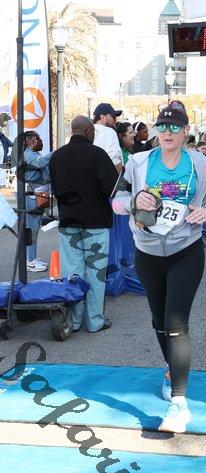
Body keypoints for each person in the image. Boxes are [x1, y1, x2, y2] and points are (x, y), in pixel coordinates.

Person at [112, 100, 206, 433]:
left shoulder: (200, 164)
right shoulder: (139, 162)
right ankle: (171, 369)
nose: (168, 132)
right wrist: (133, 202)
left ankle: (179, 403)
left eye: (175, 127)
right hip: (147, 253)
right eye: (162, 126)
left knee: (175, 322)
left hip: (186, 251)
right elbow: (116, 201)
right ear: (156, 131)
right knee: (159, 322)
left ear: (186, 131)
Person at [49, 116, 118, 332]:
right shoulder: (98, 154)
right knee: (96, 272)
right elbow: (111, 188)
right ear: (88, 132)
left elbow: (55, 189)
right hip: (96, 222)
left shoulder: (57, 156)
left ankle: (74, 320)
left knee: (72, 273)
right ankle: (95, 321)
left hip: (68, 222)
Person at [12, 131, 52, 272]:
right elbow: (40, 162)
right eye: (37, 138)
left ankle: (32, 257)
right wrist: (55, 153)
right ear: (30, 142)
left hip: (35, 194)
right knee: (31, 228)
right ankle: (31, 261)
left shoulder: (31, 154)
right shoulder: (28, 155)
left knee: (33, 227)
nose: (41, 141)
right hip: (30, 195)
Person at [93, 102, 123, 173]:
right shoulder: (109, 132)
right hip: (106, 177)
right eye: (113, 117)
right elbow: (115, 160)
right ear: (102, 117)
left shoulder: (88, 131)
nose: (115, 120)